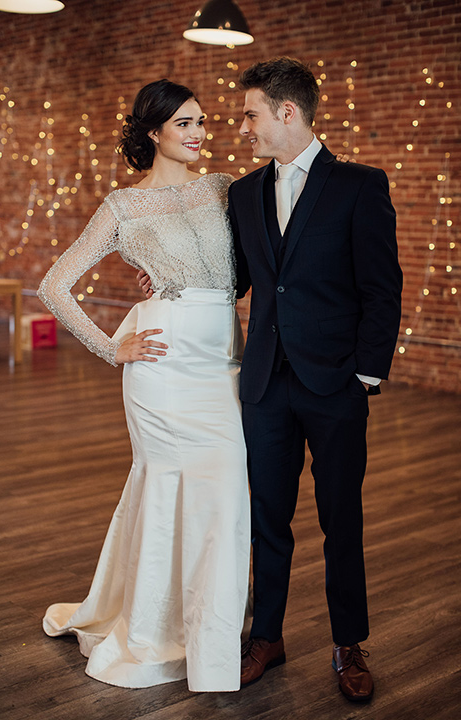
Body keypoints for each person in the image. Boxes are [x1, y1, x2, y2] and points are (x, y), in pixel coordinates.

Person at [38, 79, 250, 693]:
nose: (199, 134)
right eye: (185, 124)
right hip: (159, 365)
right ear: (154, 132)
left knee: (226, 496)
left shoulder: (222, 189)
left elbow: (250, 265)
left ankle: (212, 633)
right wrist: (111, 348)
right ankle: (155, 631)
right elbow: (56, 284)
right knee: (163, 488)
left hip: (222, 362)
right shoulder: (122, 207)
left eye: (203, 122)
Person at [227, 57, 403, 700]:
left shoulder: (360, 185)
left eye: (249, 113)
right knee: (267, 517)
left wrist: (364, 376)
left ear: (287, 112)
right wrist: (169, 278)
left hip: (335, 386)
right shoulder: (243, 192)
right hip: (266, 384)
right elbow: (243, 278)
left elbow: (383, 290)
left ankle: (348, 644)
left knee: (341, 519)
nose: (241, 124)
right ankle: (266, 638)